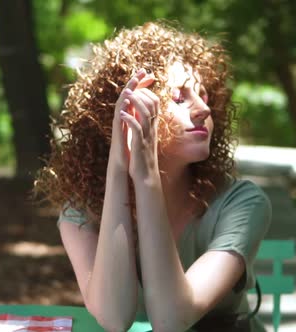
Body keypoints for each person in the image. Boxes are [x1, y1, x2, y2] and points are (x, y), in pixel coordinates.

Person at [34, 22, 271, 332]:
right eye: (178, 98)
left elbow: (172, 320)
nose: (202, 109)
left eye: (204, 97)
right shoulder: (80, 210)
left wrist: (146, 180)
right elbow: (114, 318)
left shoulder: (241, 204)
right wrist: (119, 169)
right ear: (123, 118)